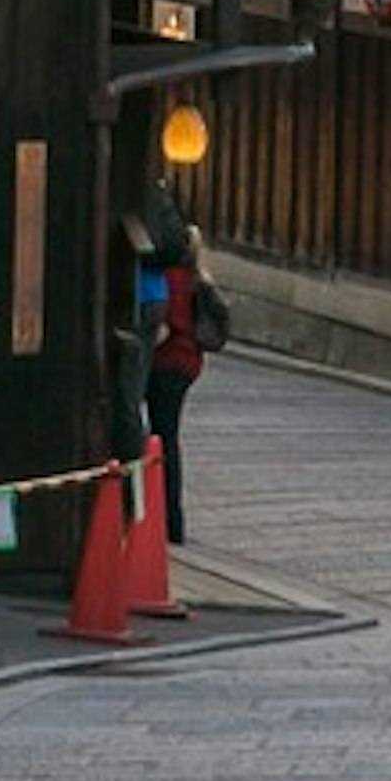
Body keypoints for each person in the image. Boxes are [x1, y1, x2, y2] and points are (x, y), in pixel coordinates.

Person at [144, 215, 223, 544]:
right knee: (168, 437)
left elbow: (164, 326)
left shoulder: (172, 278)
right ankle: (172, 521)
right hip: (188, 364)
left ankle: (165, 518)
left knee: (161, 437)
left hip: (167, 362)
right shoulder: (199, 277)